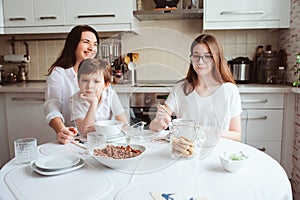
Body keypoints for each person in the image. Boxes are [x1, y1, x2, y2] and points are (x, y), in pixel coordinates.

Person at [149, 34, 242, 142]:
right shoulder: (181, 88)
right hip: (185, 152)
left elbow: (237, 136)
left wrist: (207, 131)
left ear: (216, 59)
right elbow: (154, 126)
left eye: (207, 56)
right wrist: (160, 121)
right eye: (196, 56)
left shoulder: (229, 90)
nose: (200, 61)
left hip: (218, 152)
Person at [44, 25, 99, 144]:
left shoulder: (97, 73)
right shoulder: (59, 73)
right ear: (73, 44)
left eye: (95, 44)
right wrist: (61, 130)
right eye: (86, 42)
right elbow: (52, 105)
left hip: (97, 136)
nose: (91, 48)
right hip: (73, 138)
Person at [69, 58, 127, 136]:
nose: (89, 86)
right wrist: (93, 103)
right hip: (87, 142)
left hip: (111, 139)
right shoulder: (75, 100)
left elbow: (124, 125)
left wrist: (96, 129)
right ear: (78, 82)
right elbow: (84, 131)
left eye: (96, 81)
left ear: (106, 84)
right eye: (85, 80)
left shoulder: (110, 95)